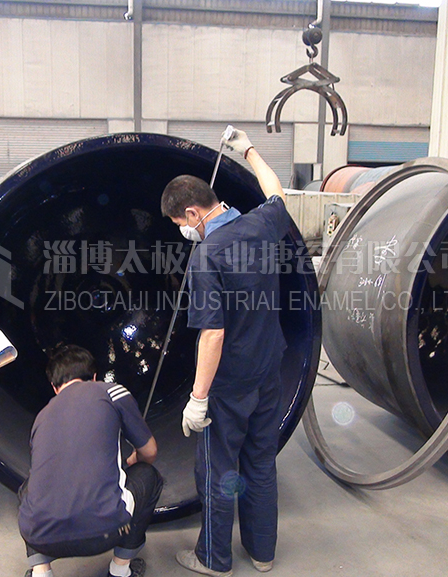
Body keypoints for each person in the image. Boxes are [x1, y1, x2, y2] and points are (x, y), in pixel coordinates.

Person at [160, 128, 290, 577]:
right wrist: (249, 149)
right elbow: (276, 191)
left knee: (217, 471)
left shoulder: (208, 256)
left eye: (179, 223)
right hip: (269, 371)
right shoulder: (261, 224)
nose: (182, 231)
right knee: (261, 462)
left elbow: (212, 335)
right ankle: (263, 553)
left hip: (230, 384)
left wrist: (198, 398)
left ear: (192, 213)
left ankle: (213, 559)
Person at [18, 344, 163, 577]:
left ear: (54, 387)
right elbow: (150, 451)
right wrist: (134, 459)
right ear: (94, 377)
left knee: (30, 487)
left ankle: (41, 571)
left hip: (41, 538)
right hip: (106, 532)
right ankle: (120, 571)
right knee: (148, 475)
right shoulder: (111, 392)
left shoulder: (41, 416)